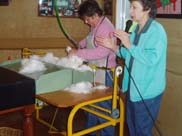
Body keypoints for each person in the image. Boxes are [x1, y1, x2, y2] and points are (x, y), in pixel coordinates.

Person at [96, 0, 167, 136]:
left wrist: (128, 44)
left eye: (134, 8)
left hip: (147, 92)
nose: (130, 12)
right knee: (132, 128)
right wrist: (114, 47)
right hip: (132, 89)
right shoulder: (135, 28)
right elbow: (128, 54)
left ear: (146, 9)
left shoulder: (157, 31)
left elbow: (151, 59)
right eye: (130, 7)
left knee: (142, 131)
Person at [68, 0, 116, 135]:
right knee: (91, 105)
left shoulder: (105, 27)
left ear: (95, 15)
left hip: (105, 73)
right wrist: (80, 44)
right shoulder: (96, 25)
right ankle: (90, 131)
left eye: (87, 19)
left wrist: (78, 53)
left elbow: (102, 52)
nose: (86, 22)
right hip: (95, 70)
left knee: (104, 109)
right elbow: (90, 38)